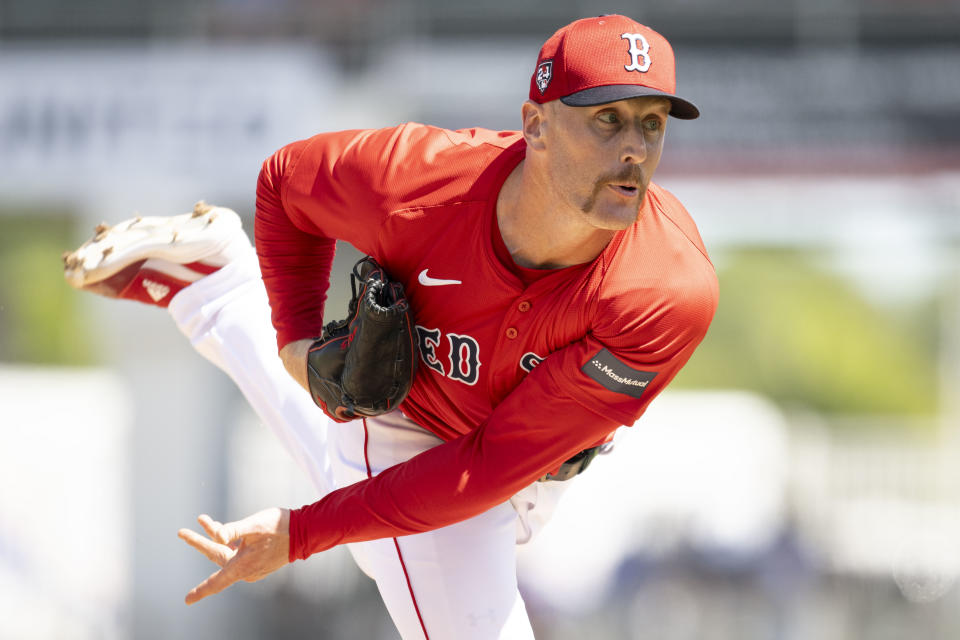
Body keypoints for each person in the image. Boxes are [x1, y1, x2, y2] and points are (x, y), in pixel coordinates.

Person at [63, 14, 717, 639]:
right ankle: (218, 294)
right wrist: (293, 336)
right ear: (536, 125)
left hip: (517, 471)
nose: (635, 148)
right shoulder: (419, 178)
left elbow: (488, 465)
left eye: (652, 124)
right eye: (608, 119)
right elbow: (285, 183)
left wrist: (305, 531)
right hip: (408, 422)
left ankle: (216, 289)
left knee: (382, 536)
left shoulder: (665, 290)